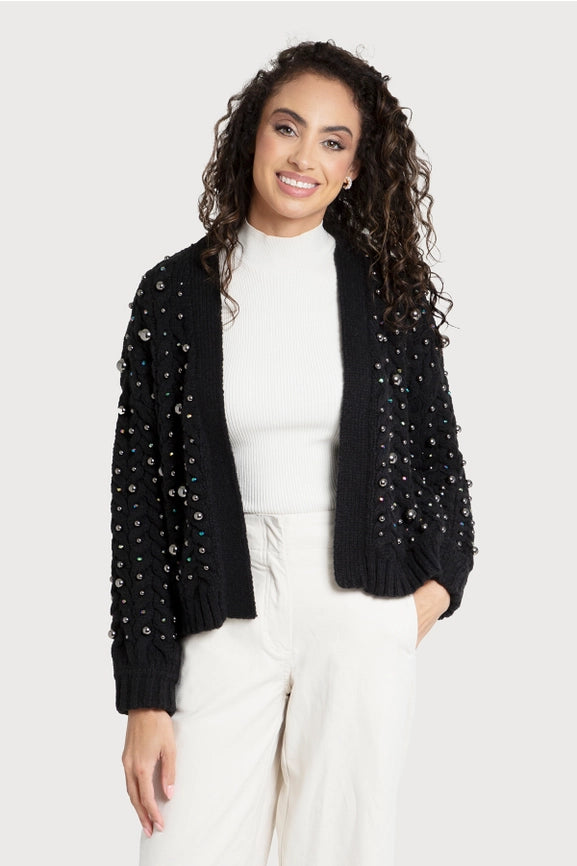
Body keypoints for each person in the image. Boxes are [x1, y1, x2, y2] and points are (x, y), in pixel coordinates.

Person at [109, 39, 476, 866]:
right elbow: (138, 497)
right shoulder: (172, 294)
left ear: (354, 169)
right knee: (181, 848)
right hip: (218, 606)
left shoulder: (388, 293)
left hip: (357, 607)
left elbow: (438, 461)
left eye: (332, 141)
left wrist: (427, 595)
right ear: (252, 135)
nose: (304, 156)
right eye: (287, 127)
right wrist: (144, 694)